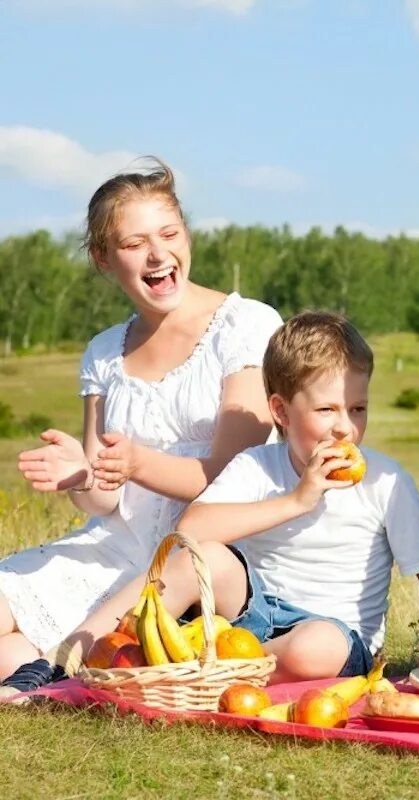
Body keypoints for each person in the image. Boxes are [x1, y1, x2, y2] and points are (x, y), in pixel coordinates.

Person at [0, 159, 282, 688]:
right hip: (111, 546)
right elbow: (104, 498)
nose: (158, 254)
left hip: (194, 561)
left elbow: (226, 475)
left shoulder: (245, 327)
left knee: (19, 655)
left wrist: (135, 462)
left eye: (169, 233)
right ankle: (46, 672)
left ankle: (51, 671)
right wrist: (83, 478)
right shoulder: (104, 352)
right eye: (134, 244)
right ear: (103, 259)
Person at [61, 311, 419, 682]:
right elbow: (192, 529)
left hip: (334, 639)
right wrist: (297, 500)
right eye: (327, 409)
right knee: (204, 558)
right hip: (250, 621)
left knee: (316, 647)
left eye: (358, 408)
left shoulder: (384, 481)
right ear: (281, 411)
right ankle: (91, 655)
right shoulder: (257, 465)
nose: (345, 428)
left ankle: (204, 670)